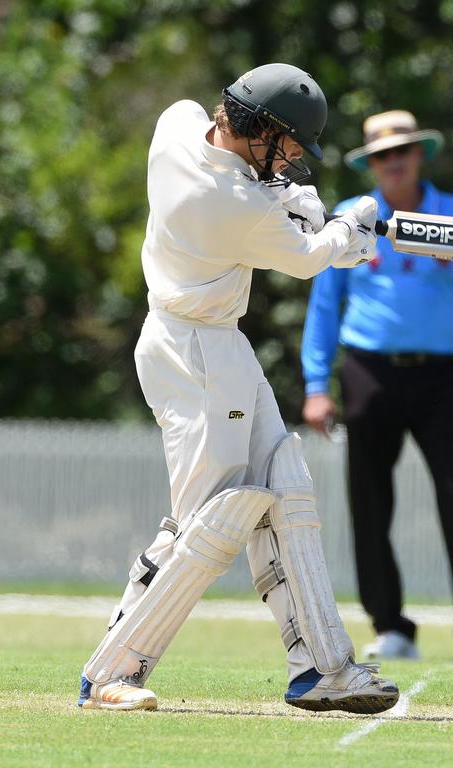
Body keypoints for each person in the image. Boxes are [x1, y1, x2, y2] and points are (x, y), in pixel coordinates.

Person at [76, 63, 400, 715]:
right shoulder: (232, 205)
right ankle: (113, 670)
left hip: (208, 343)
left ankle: (322, 667)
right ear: (265, 130)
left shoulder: (176, 126)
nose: (289, 159)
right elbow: (313, 258)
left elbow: (256, 194)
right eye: (286, 146)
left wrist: (284, 194)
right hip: (195, 354)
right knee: (212, 521)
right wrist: (354, 225)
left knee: (287, 484)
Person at [302, 110, 453, 661]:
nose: (393, 163)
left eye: (402, 152)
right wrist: (316, 384)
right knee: (369, 502)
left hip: (444, 375)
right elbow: (324, 307)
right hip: (369, 371)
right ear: (371, 163)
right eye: (381, 156)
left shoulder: (451, 214)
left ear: (419, 155)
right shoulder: (348, 218)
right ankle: (389, 626)